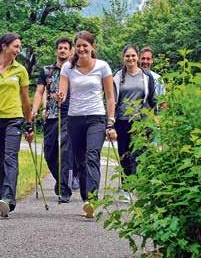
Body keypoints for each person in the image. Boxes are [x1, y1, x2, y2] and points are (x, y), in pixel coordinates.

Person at [58, 31, 117, 218]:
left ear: (93, 47)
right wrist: (59, 97)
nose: (82, 49)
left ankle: (92, 199)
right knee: (80, 160)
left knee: (92, 155)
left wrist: (111, 121)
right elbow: (63, 91)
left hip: (96, 117)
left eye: (86, 45)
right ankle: (86, 198)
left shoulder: (103, 66)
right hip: (75, 118)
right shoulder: (67, 67)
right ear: (75, 48)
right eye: (79, 45)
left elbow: (110, 96)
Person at [0, 32, 34, 218]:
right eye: (16, 46)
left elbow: (26, 100)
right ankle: (2, 197)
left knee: (10, 157)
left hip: (14, 119)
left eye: (19, 47)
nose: (19, 50)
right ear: (4, 46)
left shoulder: (20, 70)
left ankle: (8, 198)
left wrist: (29, 124)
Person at [31, 37, 75, 203]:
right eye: (60, 48)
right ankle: (60, 179)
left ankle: (65, 190)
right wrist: (36, 110)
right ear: (56, 50)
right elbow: (39, 92)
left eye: (66, 48)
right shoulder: (46, 70)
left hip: (69, 115)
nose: (63, 51)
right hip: (51, 115)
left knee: (65, 151)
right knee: (49, 152)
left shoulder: (74, 70)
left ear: (71, 51)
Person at [113, 45, 156, 201]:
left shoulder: (146, 76)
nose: (130, 59)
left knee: (138, 154)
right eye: (127, 56)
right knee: (124, 153)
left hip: (140, 121)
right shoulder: (117, 76)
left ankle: (134, 186)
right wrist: (109, 122)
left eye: (133, 56)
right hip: (122, 120)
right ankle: (125, 187)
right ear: (123, 58)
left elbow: (152, 100)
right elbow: (111, 100)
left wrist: (153, 118)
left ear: (137, 57)